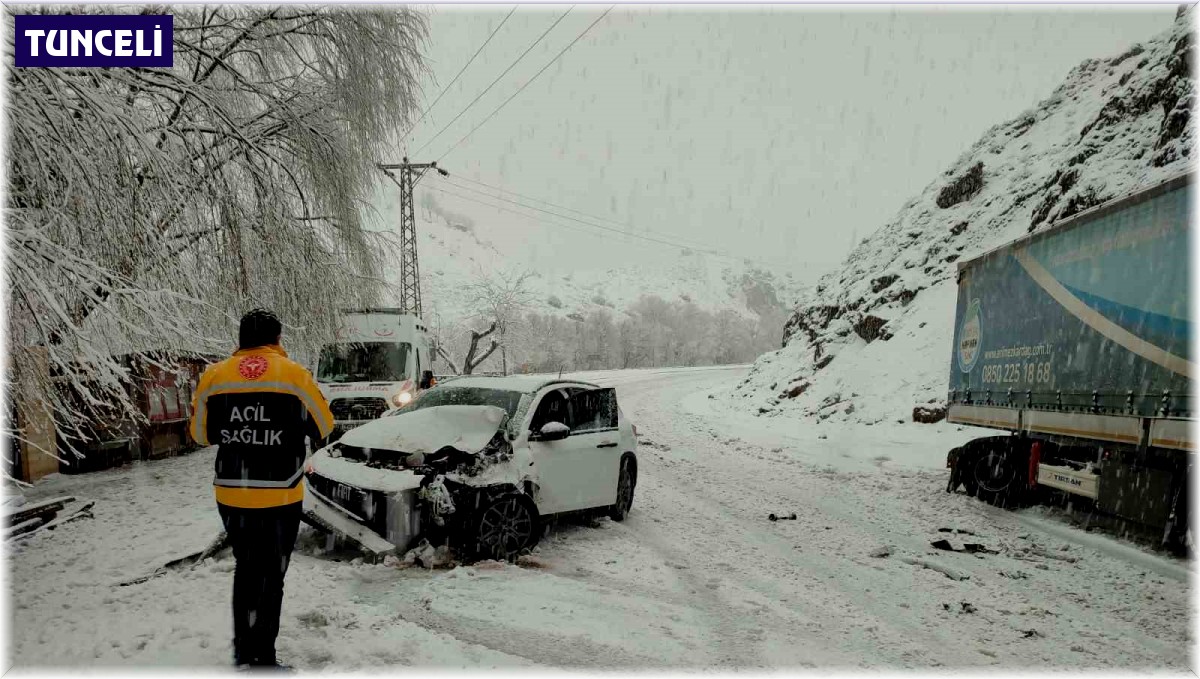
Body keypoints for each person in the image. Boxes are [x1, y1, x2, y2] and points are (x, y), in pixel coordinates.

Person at [189, 309, 333, 669]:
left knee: (246, 568)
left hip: (232, 492)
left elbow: (201, 435)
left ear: (241, 339)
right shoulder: (295, 376)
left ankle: (242, 650)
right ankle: (264, 660)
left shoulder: (214, 376)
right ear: (278, 340)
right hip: (279, 493)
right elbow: (323, 426)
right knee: (272, 575)